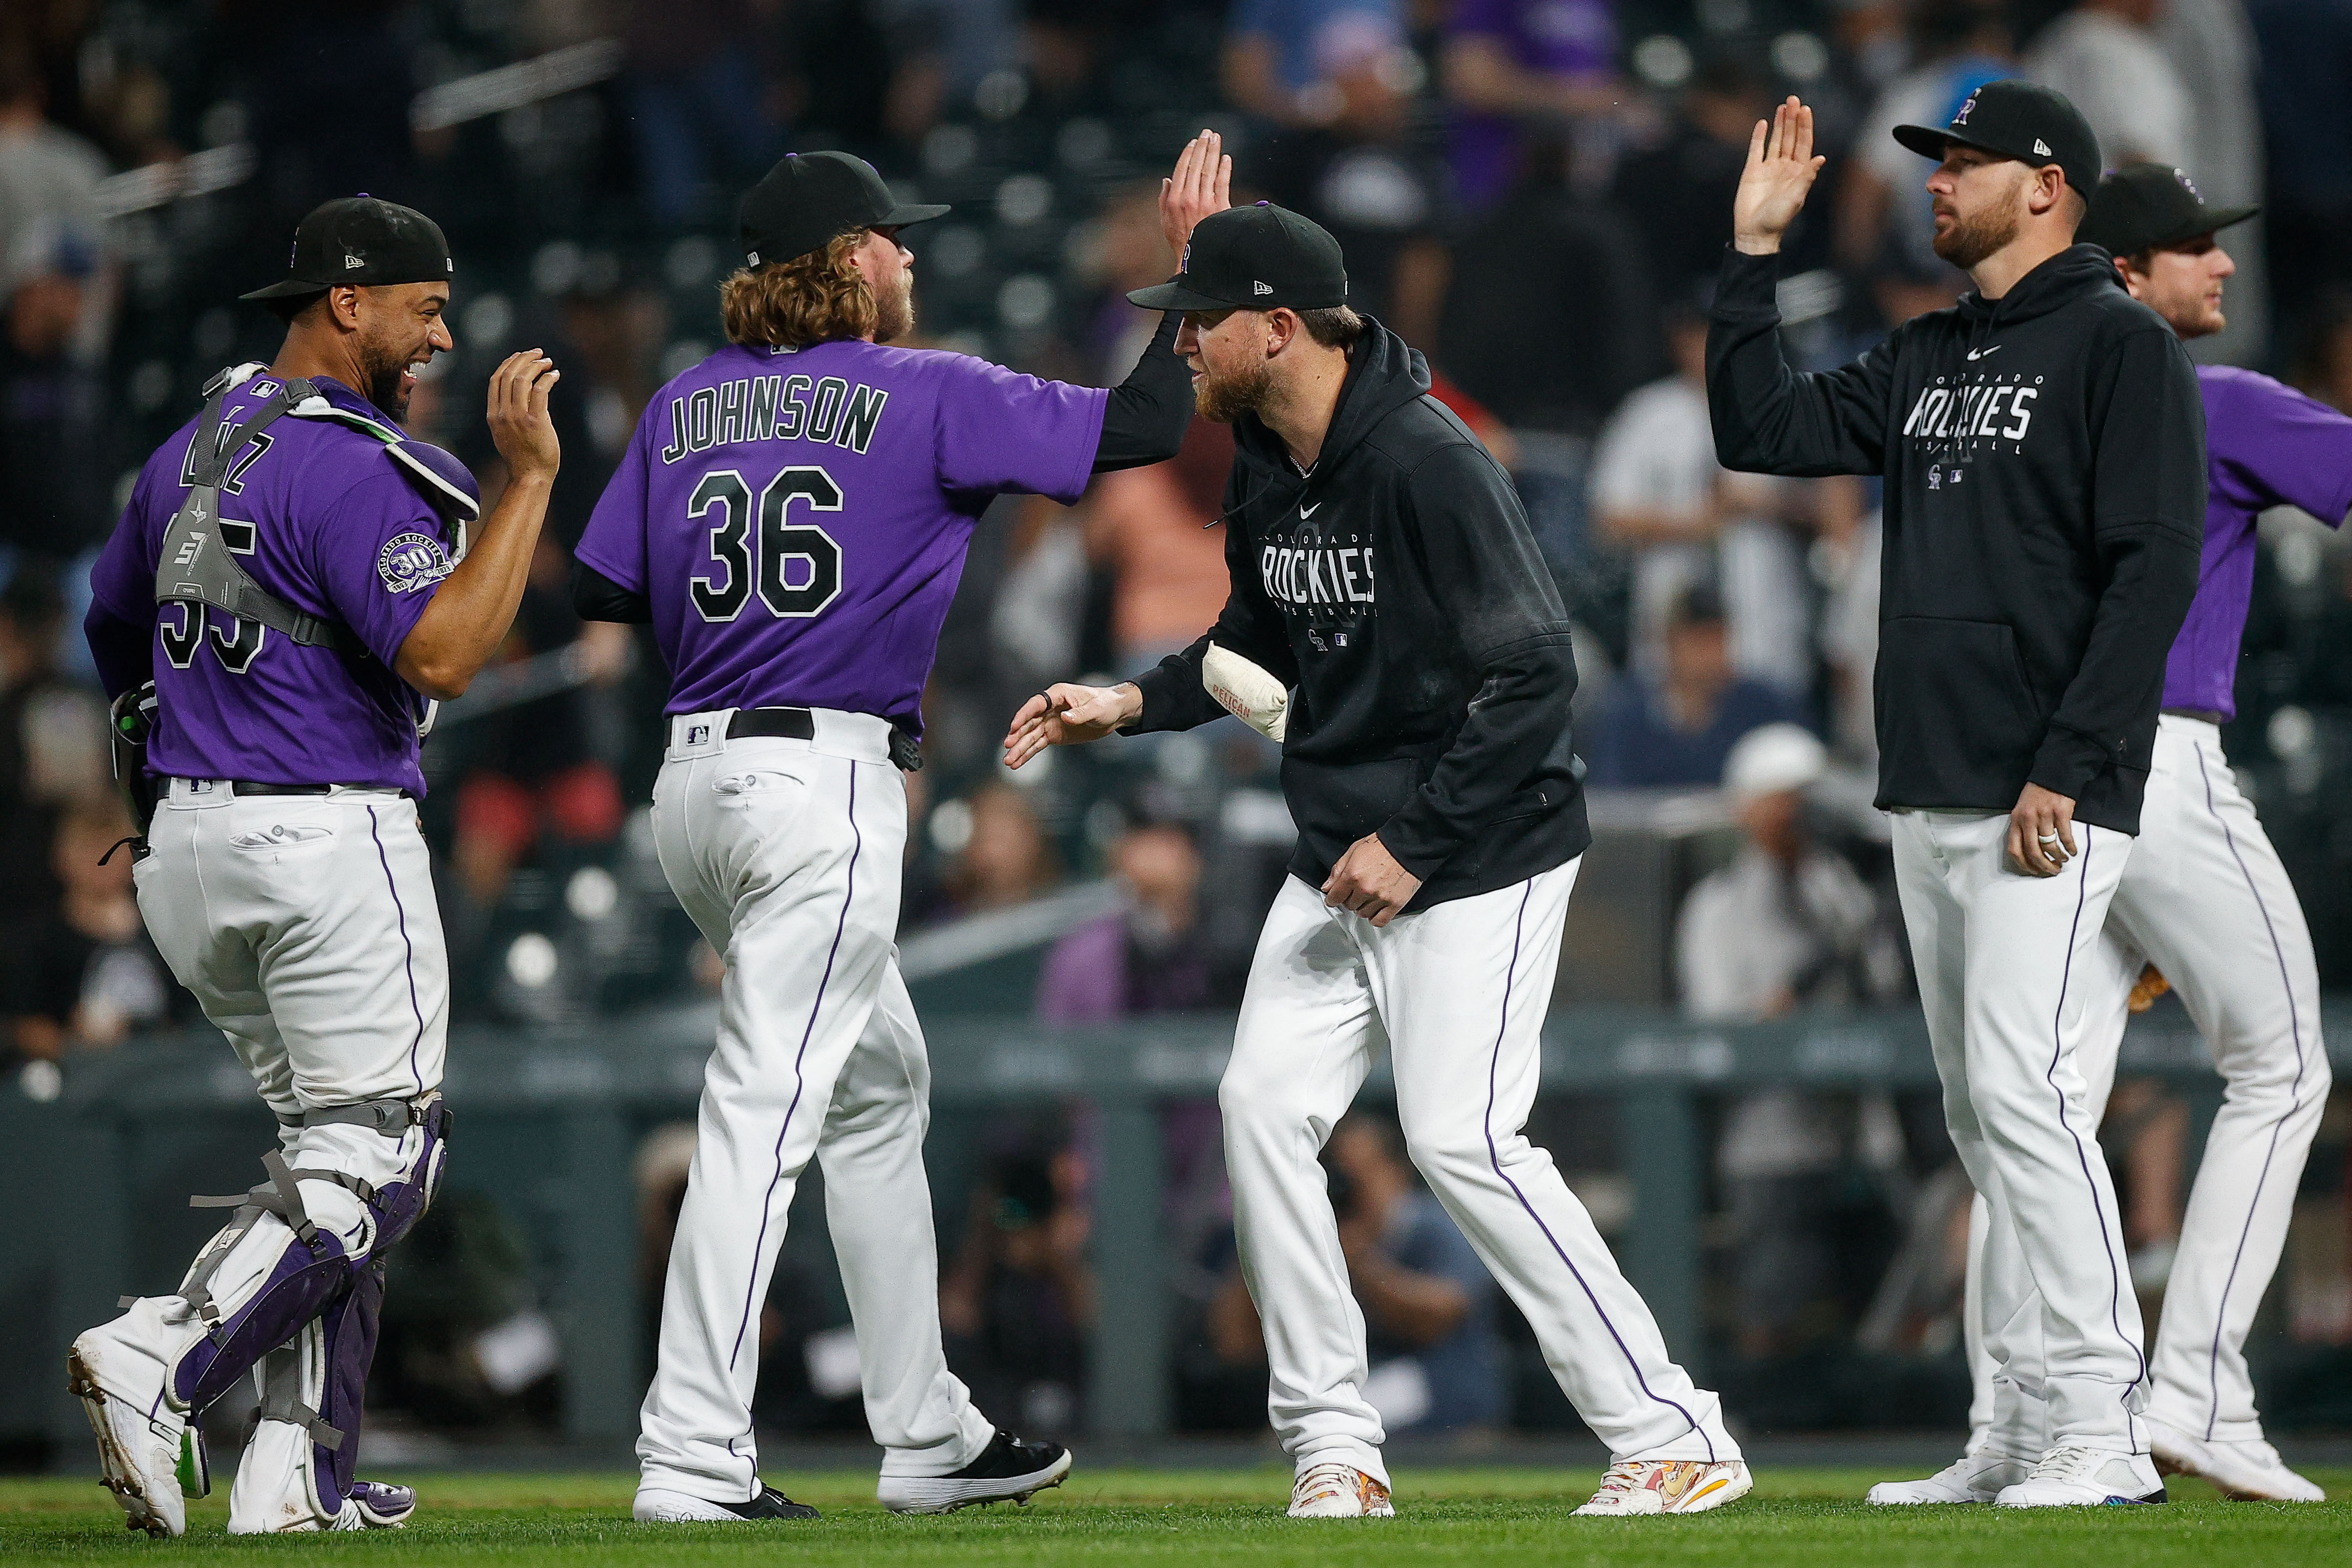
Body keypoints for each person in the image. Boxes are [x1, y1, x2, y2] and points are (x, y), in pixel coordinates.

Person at [1003, 201, 1751, 1518]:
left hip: (1483, 845)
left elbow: (1535, 676)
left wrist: (1414, 843)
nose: (1179, 345)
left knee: (1463, 1136)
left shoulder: (1421, 458)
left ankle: (1674, 1429)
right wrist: (1127, 703)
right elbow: (1254, 646)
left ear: (1278, 327)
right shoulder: (1263, 454)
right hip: (1348, 850)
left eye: (1198, 321)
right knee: (1258, 1107)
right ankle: (1334, 1448)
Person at [569, 140, 1204, 1522]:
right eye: (893, 239)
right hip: (819, 788)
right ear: (847, 259)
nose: (911, 258)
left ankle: (924, 1429)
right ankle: (689, 1450)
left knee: (874, 1087)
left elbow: (607, 591)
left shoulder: (683, 402)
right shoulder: (924, 388)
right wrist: (1188, 279)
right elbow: (1142, 427)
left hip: (694, 793)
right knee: (765, 1106)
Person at [1710, 86, 2205, 1506]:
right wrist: (1749, 262)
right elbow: (1760, 430)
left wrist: (2066, 759)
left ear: (2046, 185)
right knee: (1981, 1117)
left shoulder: (2115, 340)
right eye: (1935, 163)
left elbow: (2151, 565)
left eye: (1965, 163)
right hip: (1929, 785)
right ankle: (2010, 1423)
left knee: (2021, 1094)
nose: (1934, 183)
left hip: (2041, 789)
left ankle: (2102, 1428)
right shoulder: (1931, 348)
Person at [70, 195, 562, 1536]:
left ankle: (297, 1475)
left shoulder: (189, 449)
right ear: (347, 303)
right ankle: (165, 1350)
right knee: (389, 1156)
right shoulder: (348, 459)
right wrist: (526, 482)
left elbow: (112, 632)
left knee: (329, 1156)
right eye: (423, 305)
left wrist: (187, 751)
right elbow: (446, 654)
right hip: (321, 832)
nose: (442, 335)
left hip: (186, 849)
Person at [1935, 162, 2341, 1504]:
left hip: (2036, 774)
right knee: (2278, 1065)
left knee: (2033, 1108)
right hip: (2155, 758)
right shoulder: (2204, 397)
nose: (2215, 267)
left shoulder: (2014, 402)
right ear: (2116, 275)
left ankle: (2016, 1424)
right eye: (2182, 251)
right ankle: (2193, 1397)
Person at [1581, 584, 1811, 789]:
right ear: (1670, 644)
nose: (1712, 657)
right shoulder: (1627, 716)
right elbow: (1610, 798)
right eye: (1700, 642)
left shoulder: (1763, 706)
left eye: (1719, 641)